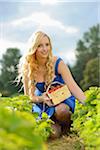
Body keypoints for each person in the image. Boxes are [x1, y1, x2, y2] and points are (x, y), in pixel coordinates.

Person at [18, 31, 86, 138]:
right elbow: (29, 97)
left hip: (62, 101)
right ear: (34, 48)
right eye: (40, 46)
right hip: (44, 105)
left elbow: (73, 87)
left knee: (62, 111)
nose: (45, 49)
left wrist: (88, 104)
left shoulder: (58, 63)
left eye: (47, 45)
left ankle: (67, 126)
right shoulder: (28, 68)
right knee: (53, 134)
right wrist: (41, 98)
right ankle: (57, 126)